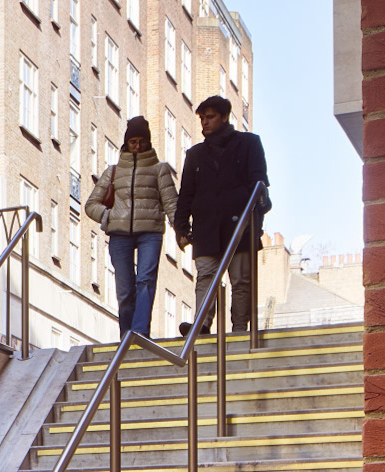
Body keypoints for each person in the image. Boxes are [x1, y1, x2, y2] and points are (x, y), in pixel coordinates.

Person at [172, 94, 269, 335]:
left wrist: (256, 222)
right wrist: (181, 227)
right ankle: (202, 325)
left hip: (240, 225)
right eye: (202, 118)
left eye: (210, 117)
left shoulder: (249, 143)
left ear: (225, 117)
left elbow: (259, 184)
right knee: (206, 275)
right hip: (206, 227)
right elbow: (186, 193)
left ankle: (239, 329)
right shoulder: (195, 154)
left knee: (241, 279)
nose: (205, 122)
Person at [86, 115, 175, 340]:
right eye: (133, 141)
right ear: (126, 143)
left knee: (145, 281)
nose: (138, 146)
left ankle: (140, 332)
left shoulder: (160, 169)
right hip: (119, 235)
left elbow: (171, 204)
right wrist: (109, 216)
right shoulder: (113, 171)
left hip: (151, 233)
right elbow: (91, 205)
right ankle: (126, 335)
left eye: (142, 141)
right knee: (125, 289)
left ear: (149, 143)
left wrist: (181, 231)